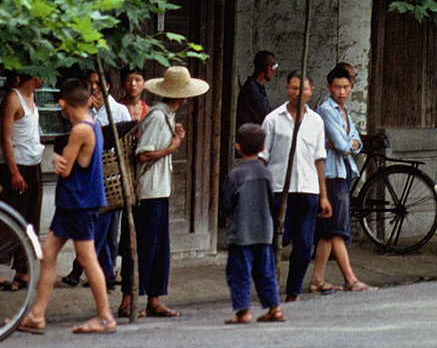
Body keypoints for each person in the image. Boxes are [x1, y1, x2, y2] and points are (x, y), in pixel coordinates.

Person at [19, 78, 116, 335]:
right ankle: (37, 315)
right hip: (73, 202)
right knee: (49, 255)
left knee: (87, 259)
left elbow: (66, 168)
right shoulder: (93, 125)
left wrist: (59, 162)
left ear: (63, 103)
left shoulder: (80, 130)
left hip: (78, 202)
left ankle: (105, 316)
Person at [130, 64, 209, 320]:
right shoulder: (156, 116)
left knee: (159, 248)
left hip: (160, 190)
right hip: (149, 191)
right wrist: (173, 147)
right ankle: (129, 300)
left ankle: (154, 299)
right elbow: (142, 154)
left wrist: (175, 140)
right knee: (145, 246)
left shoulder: (167, 115)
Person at [261, 70, 331, 301]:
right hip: (279, 189)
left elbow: (319, 159)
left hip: (308, 189)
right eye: (293, 87)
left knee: (303, 245)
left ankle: (293, 291)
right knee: (277, 241)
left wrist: (323, 195)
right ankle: (270, 286)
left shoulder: (316, 121)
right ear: (286, 88)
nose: (298, 93)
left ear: (311, 91)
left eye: (303, 89)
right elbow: (262, 155)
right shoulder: (273, 119)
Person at [62, 70, 131, 289]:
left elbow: (126, 141)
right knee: (101, 226)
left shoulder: (119, 110)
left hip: (112, 176)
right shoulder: (86, 113)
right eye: (90, 83)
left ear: (108, 86)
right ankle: (107, 274)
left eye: (98, 83)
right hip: (91, 172)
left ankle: (84, 270)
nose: (94, 87)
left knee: (107, 228)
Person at [312, 65, 371, 292]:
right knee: (337, 229)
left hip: (342, 172)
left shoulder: (343, 111)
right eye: (337, 87)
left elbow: (357, 143)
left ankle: (318, 279)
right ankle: (350, 279)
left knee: (328, 231)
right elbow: (343, 144)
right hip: (331, 175)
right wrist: (349, 143)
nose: (342, 91)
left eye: (346, 87)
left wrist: (350, 143)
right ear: (329, 88)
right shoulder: (327, 110)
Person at [221, 122, 283, 325]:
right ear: (263, 147)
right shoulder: (266, 173)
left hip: (242, 233)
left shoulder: (236, 174)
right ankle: (274, 307)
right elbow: (271, 199)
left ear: (237, 147)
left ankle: (243, 311)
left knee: (239, 273)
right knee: (266, 272)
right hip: (264, 231)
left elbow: (227, 204)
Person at [0, 72, 44, 290]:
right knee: (8, 218)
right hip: (17, 165)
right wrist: (14, 172)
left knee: (31, 219)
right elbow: (6, 137)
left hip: (34, 163)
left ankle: (23, 270)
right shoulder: (13, 98)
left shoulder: (33, 97)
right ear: (33, 76)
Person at [236, 51, 277, 130]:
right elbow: (266, 114)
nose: (275, 70)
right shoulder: (252, 88)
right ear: (268, 68)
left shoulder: (257, 86)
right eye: (275, 67)